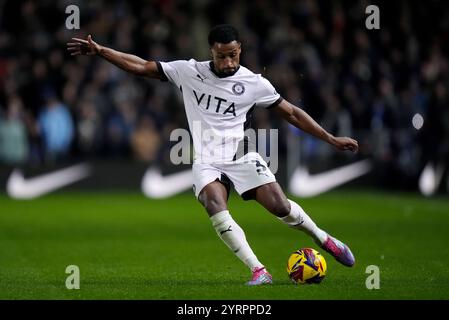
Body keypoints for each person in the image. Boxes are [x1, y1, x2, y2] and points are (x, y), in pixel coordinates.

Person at [67, 24, 358, 286]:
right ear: (212, 52)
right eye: (222, 56)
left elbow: (292, 113)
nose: (228, 62)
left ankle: (324, 239)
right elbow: (141, 66)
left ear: (240, 50)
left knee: (280, 207)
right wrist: (101, 50)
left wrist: (330, 139)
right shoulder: (188, 71)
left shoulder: (255, 83)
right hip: (206, 158)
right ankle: (259, 271)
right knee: (213, 202)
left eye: (233, 54)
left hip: (240, 153)